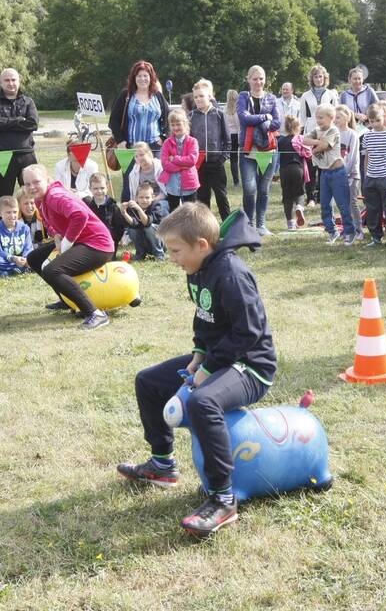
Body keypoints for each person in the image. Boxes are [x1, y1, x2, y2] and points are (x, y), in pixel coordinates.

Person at [116, 203, 277, 537]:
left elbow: (248, 333)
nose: (171, 257)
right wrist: (198, 353)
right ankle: (162, 464)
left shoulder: (231, 274)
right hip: (219, 356)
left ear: (201, 245)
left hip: (251, 365)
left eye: (175, 250)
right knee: (148, 382)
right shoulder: (198, 269)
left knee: (202, 401)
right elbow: (205, 319)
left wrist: (210, 367)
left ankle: (223, 498)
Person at [22, 164, 116, 330]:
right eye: (27, 183)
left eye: (36, 182)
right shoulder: (40, 199)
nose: (31, 187)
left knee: (52, 270)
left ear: (47, 180)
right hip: (81, 241)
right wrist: (57, 235)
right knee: (34, 258)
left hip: (98, 245)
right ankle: (68, 300)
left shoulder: (55, 195)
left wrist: (67, 243)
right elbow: (49, 221)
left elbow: (80, 216)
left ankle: (95, 314)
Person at [0, 68, 39, 223]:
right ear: (1, 82)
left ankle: (39, 233)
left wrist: (8, 123)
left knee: (33, 196)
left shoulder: (28, 101)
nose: (11, 83)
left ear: (19, 81)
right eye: (7, 80)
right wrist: (19, 120)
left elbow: (33, 123)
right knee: (2, 197)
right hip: (3, 156)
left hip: (26, 154)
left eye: (13, 80)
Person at [236, 65, 279, 235]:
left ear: (265, 79)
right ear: (248, 80)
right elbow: (243, 117)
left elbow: (277, 122)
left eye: (261, 78)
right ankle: (249, 225)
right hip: (248, 150)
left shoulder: (272, 98)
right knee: (250, 189)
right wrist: (264, 117)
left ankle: (261, 224)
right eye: (255, 78)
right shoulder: (243, 97)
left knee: (264, 189)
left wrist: (266, 122)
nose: (258, 82)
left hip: (269, 150)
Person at [305, 103, 356, 245]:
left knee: (343, 204)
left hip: (338, 172)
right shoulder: (317, 130)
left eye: (321, 118)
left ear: (331, 118)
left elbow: (324, 146)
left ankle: (349, 232)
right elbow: (304, 140)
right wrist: (316, 141)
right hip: (324, 173)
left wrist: (313, 149)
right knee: (325, 205)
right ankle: (332, 231)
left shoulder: (333, 130)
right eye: (317, 117)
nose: (318, 120)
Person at [361, 103, 386, 247]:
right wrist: (366, 176)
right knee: (372, 209)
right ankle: (376, 237)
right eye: (371, 121)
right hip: (371, 178)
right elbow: (367, 157)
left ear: (384, 117)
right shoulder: (366, 136)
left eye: (377, 120)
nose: (375, 124)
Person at [298, 65, 339, 204]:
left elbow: (336, 114)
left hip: (327, 132)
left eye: (320, 76)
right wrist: (302, 135)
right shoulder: (305, 96)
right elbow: (302, 117)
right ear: (312, 78)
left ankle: (323, 196)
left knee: (325, 164)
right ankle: (310, 197)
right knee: (310, 165)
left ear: (325, 78)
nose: (318, 79)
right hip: (311, 130)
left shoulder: (331, 95)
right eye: (315, 76)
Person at [190, 80, 231, 219]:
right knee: (202, 198)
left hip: (217, 163)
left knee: (221, 196)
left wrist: (222, 158)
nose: (198, 99)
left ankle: (228, 228)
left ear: (210, 96)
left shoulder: (219, 114)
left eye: (201, 96)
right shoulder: (191, 116)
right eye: (195, 97)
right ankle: (206, 228)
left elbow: (227, 140)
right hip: (199, 165)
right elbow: (189, 140)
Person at [107, 60, 169, 151]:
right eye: (139, 76)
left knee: (155, 166)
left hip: (155, 147)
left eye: (145, 76)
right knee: (132, 166)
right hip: (131, 147)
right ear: (134, 78)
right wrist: (120, 140)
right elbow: (113, 120)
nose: (142, 79)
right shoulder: (125, 95)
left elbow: (168, 118)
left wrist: (163, 137)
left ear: (151, 77)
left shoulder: (158, 96)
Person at [160, 109, 200, 210]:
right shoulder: (167, 143)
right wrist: (183, 166)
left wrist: (174, 159)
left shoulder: (193, 141)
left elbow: (192, 161)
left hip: (189, 183)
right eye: (172, 125)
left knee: (190, 212)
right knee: (174, 212)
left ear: (185, 124)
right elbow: (165, 164)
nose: (175, 127)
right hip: (172, 185)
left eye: (178, 124)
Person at [336, 105, 365, 241]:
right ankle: (347, 229)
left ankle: (359, 229)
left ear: (347, 118)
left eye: (338, 117)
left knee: (352, 202)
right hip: (338, 174)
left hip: (351, 174)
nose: (335, 120)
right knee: (342, 203)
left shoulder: (353, 134)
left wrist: (346, 172)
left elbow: (352, 155)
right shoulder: (334, 133)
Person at [119, 182, 170, 260]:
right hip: (145, 242)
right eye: (141, 197)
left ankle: (159, 254)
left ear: (153, 197)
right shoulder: (133, 207)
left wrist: (139, 209)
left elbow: (147, 222)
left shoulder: (157, 206)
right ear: (136, 198)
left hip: (161, 242)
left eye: (147, 197)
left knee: (149, 227)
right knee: (131, 229)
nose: (144, 200)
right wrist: (124, 213)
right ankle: (141, 253)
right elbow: (133, 223)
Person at [0, 195, 33, 276]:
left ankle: (6, 272)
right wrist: (13, 259)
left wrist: (25, 259)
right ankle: (20, 269)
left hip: (22, 259)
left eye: (15, 212)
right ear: (0, 213)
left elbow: (28, 248)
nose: (12, 216)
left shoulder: (24, 228)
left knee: (35, 258)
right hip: (6, 259)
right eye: (8, 212)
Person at [278, 116, 308, 230]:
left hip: (284, 170)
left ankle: (290, 223)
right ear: (298, 127)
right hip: (297, 168)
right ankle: (299, 207)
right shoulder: (300, 139)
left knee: (287, 196)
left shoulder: (281, 140)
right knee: (299, 192)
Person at [85, 172, 124, 250]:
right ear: (90, 189)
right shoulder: (88, 206)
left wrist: (113, 240)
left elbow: (119, 228)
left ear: (107, 187)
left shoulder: (113, 206)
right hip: (92, 242)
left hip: (109, 243)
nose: (99, 191)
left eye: (102, 188)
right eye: (95, 188)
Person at [224, 90, 242, 185]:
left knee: (233, 159)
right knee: (235, 159)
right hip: (235, 135)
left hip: (229, 136)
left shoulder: (225, 109)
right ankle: (236, 180)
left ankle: (236, 181)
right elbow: (238, 126)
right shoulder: (237, 110)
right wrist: (240, 139)